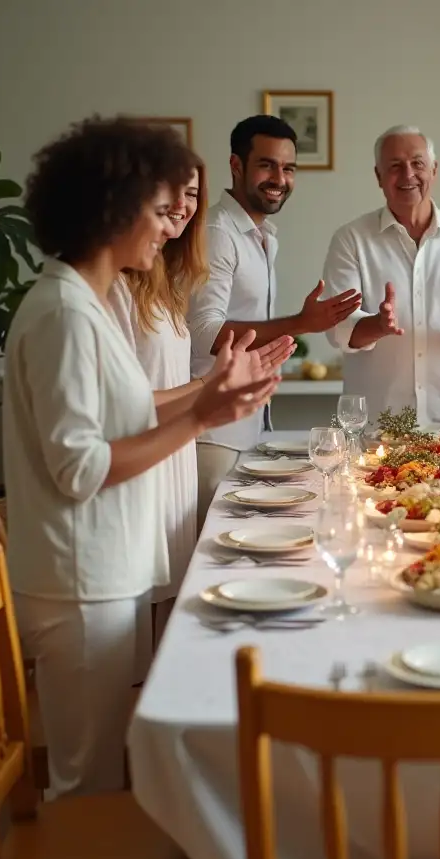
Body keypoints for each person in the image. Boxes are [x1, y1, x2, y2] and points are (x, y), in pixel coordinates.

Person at [3, 117, 278, 797]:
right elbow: (82, 470)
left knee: (105, 769)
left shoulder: (85, 304)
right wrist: (204, 418)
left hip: (101, 572)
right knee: (87, 785)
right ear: (113, 210)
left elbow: (123, 412)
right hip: (81, 579)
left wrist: (209, 391)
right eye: (158, 211)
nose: (170, 225)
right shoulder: (65, 314)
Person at [107, 161, 294, 675]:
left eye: (192, 194)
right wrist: (206, 388)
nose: (185, 207)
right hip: (135, 465)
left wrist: (223, 381)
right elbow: (124, 402)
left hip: (170, 461)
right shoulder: (115, 288)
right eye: (171, 195)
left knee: (167, 625)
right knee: (129, 650)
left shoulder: (162, 283)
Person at [188, 115, 362, 519]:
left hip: (249, 425)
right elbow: (204, 332)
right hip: (213, 435)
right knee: (213, 558)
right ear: (236, 166)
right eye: (267, 165)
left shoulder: (262, 236)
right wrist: (300, 323)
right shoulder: (219, 232)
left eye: (288, 168)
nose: (279, 178)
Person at [323, 125, 440, 428]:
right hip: (377, 430)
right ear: (378, 176)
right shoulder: (351, 239)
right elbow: (336, 328)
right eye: (395, 166)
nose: (408, 175)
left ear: (434, 170)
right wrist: (377, 325)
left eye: (417, 163)